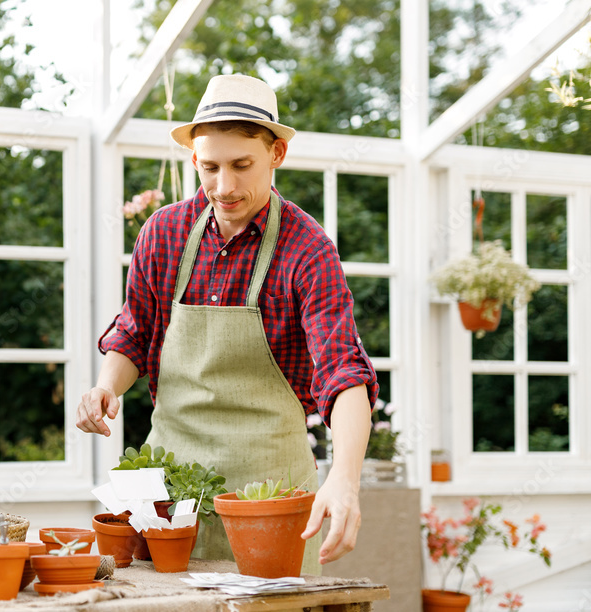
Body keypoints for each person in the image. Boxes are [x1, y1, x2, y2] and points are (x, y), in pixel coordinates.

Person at [76, 74, 377, 572]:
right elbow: (135, 331)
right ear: (194, 158)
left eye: (242, 165)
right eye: (210, 167)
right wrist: (107, 384)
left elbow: (342, 372)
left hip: (270, 497)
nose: (225, 186)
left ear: (276, 153)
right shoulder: (164, 231)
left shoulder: (307, 249)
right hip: (168, 497)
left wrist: (344, 478)